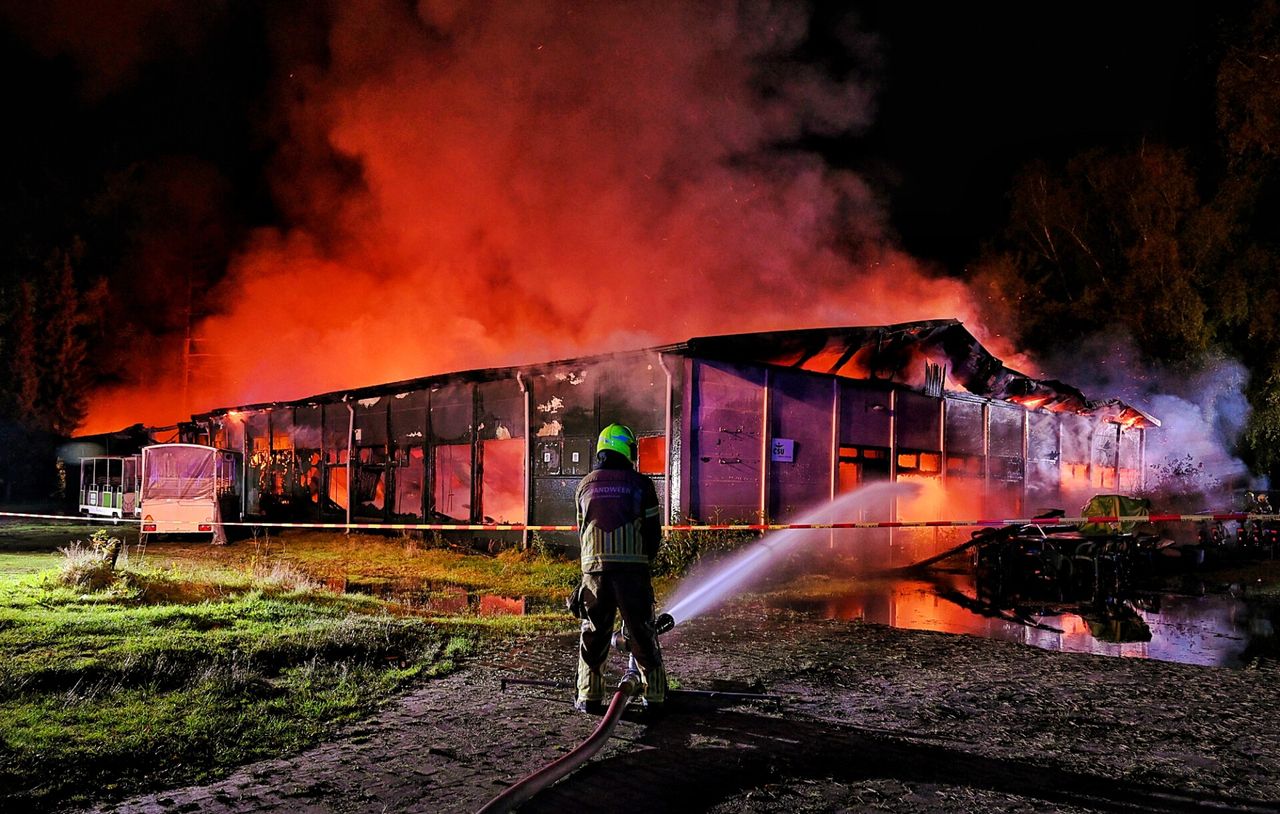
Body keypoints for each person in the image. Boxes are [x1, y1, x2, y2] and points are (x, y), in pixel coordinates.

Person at [572, 423, 666, 714]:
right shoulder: (641, 485)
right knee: (641, 633)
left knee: (593, 632)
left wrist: (591, 566)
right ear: (627, 449)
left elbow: (581, 530)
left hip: (594, 572)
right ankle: (655, 697)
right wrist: (644, 563)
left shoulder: (584, 485)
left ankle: (589, 697)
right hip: (632, 573)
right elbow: (653, 534)